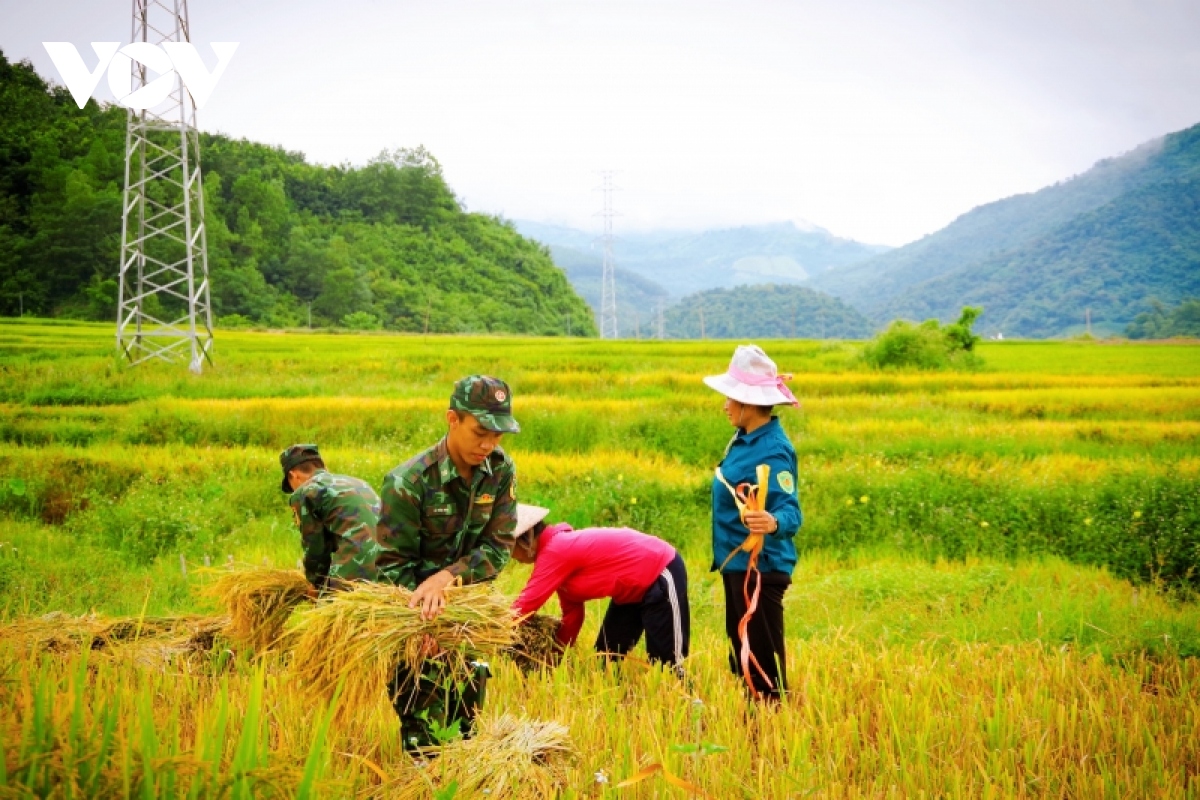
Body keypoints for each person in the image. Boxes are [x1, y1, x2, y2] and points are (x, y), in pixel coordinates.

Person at [374, 375, 520, 751]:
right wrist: (420, 627)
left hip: (468, 618)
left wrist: (448, 577)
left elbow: (499, 544)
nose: (488, 445)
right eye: (480, 432)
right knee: (424, 740)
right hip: (415, 619)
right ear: (452, 419)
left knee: (467, 730)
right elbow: (393, 565)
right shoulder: (409, 482)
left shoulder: (501, 471)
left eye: (498, 435)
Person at [703, 344, 802, 701]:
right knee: (743, 656)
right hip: (738, 565)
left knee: (762, 666)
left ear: (747, 403)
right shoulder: (744, 440)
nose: (724, 405)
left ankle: (774, 734)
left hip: (759, 570)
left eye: (730, 398)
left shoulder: (773, 450)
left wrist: (772, 521)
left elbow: (791, 512)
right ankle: (755, 729)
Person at [510, 504, 690, 673]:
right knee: (605, 658)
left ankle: (689, 702)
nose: (509, 554)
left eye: (509, 547)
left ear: (525, 539)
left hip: (659, 570)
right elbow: (573, 617)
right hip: (630, 592)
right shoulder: (557, 556)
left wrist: (494, 629)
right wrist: (554, 656)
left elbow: (526, 605)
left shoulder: (556, 550)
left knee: (666, 665)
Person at [279, 443, 383, 592]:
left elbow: (315, 549)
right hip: (389, 566)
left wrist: (315, 585)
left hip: (356, 569)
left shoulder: (306, 491)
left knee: (324, 612)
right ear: (323, 466)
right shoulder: (358, 483)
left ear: (293, 475)